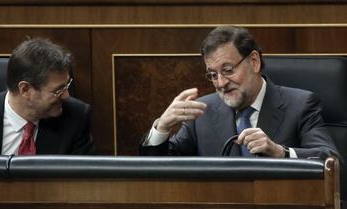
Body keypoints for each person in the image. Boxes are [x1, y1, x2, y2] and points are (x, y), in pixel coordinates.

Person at [141, 26, 338, 159]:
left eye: (228, 70)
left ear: (254, 61)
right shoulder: (202, 112)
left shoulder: (301, 105)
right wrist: (162, 128)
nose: (221, 83)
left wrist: (281, 152)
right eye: (212, 74)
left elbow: (331, 160)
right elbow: (157, 172)